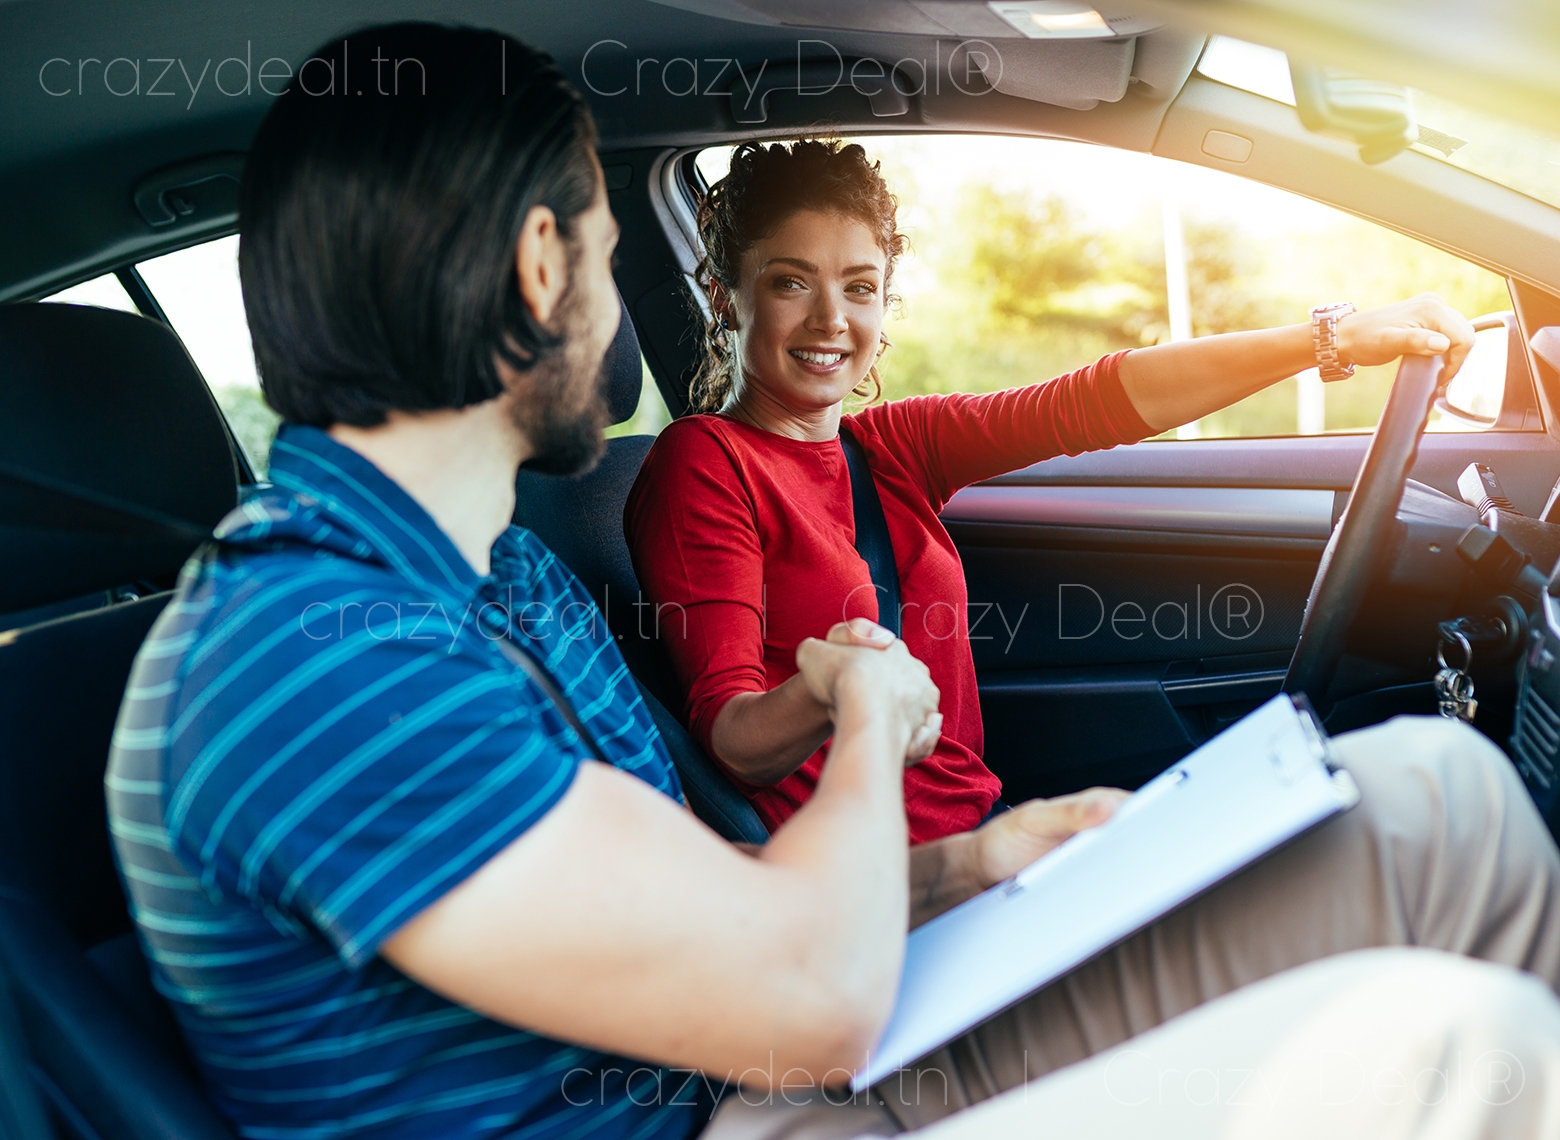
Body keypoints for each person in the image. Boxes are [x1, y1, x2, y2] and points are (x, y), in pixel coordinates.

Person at [105, 22, 1560, 1140]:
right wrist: (864, 711)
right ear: (545, 268)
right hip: (753, 1095)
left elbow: (706, 899)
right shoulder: (312, 656)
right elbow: (797, 998)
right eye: (619, 259)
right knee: (1451, 1043)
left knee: (1438, 800)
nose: (623, 324)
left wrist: (979, 860)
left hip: (783, 1049)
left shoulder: (494, 583)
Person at [624, 139, 1483, 844]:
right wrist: (834, 688)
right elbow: (733, 741)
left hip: (987, 840)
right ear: (723, 294)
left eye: (858, 287)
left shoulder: (888, 447)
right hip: (891, 899)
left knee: (1386, 806)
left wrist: (1332, 341)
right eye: (790, 281)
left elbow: (1097, 399)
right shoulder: (706, 463)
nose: (830, 320)